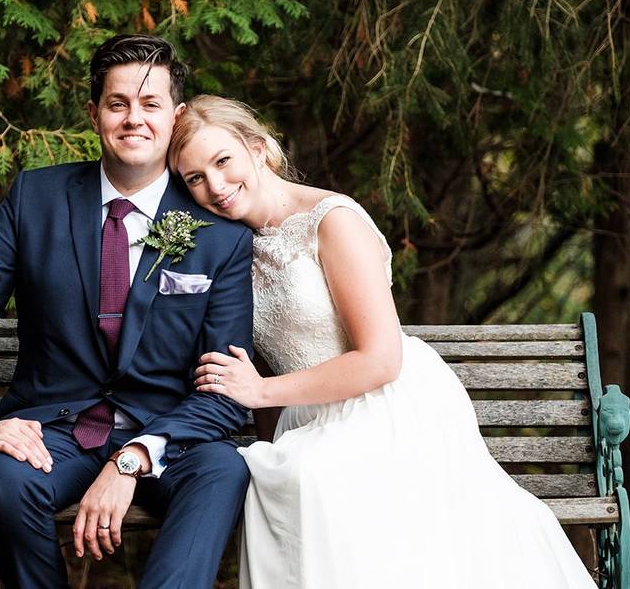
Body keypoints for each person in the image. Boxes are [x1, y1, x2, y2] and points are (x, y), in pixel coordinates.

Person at [167, 95, 599, 589]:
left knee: (317, 480)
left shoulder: (331, 220)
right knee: (277, 476)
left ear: (258, 148)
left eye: (223, 161)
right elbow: (263, 359)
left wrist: (260, 393)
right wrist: (270, 432)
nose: (215, 186)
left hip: (383, 401)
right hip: (306, 415)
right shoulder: (232, 245)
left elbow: (381, 358)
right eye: (194, 178)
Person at [0, 36, 254, 589]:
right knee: (1, 478)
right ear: (94, 113)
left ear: (176, 115)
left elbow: (223, 388)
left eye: (150, 105)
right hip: (57, 432)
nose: (134, 119)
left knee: (223, 469)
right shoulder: (36, 198)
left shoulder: (220, 235)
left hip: (168, 438)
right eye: (118, 103)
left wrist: (133, 459)